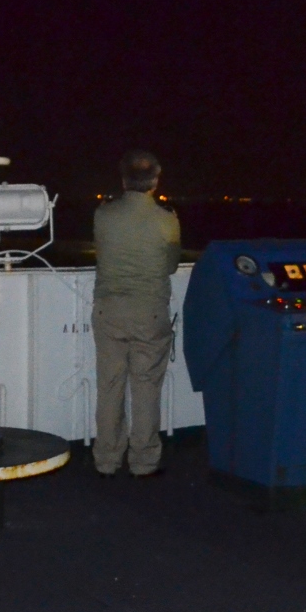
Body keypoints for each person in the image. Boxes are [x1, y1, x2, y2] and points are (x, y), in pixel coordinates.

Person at [91, 149, 182, 477]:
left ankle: (106, 459)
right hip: (149, 313)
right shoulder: (166, 219)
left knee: (110, 386)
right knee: (145, 387)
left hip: (109, 311)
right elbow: (171, 265)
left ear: (123, 180)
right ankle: (143, 462)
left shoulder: (104, 215)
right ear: (155, 180)